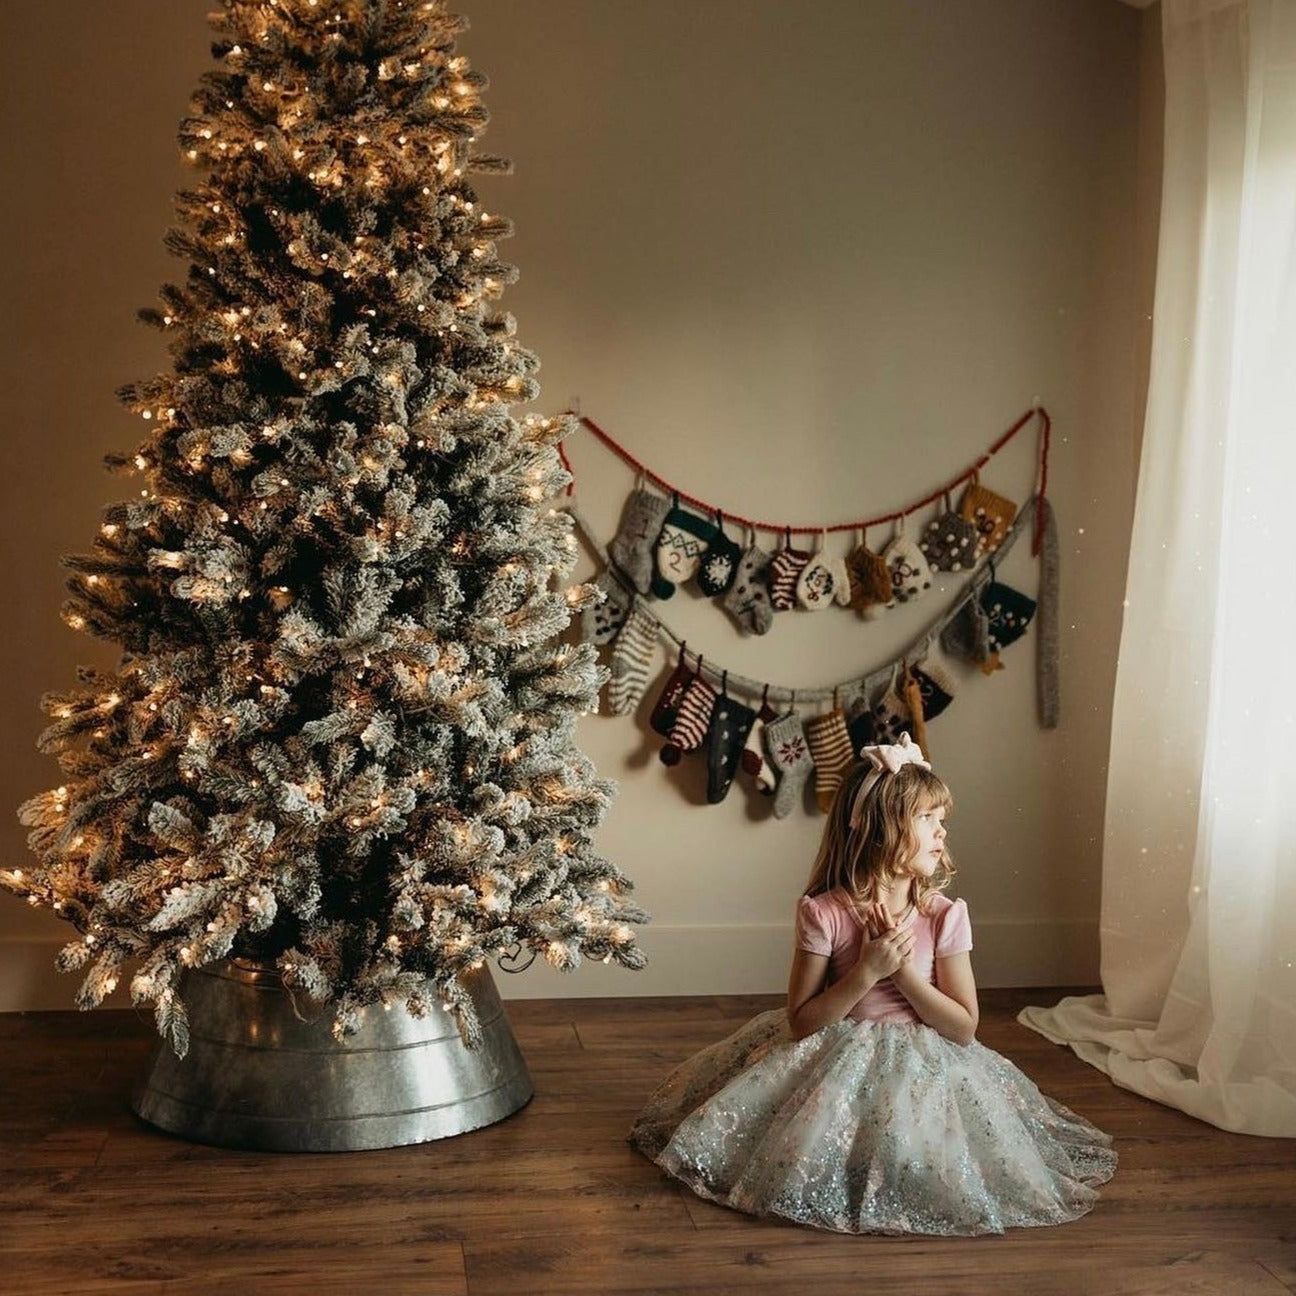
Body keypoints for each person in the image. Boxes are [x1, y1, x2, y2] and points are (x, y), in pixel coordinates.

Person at [628, 734, 1117, 1236]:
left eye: (942, 820)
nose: (942, 832)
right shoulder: (825, 913)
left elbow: (964, 1028)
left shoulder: (943, 917)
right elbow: (802, 1022)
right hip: (834, 1060)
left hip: (926, 1067)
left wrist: (902, 974)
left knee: (916, 1152)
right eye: (928, 819)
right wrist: (866, 971)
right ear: (883, 829)